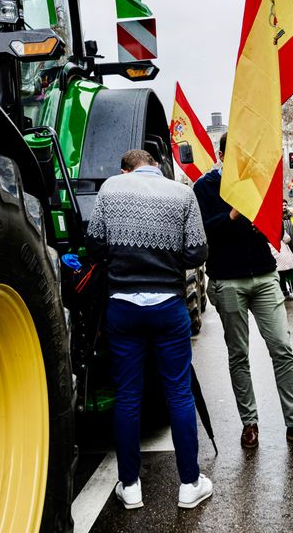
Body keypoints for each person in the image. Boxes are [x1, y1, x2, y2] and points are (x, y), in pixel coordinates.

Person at [86, 149, 214, 509]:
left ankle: (130, 486)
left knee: (128, 396)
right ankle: (190, 483)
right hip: (168, 308)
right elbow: (197, 252)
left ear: (126, 168)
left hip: (123, 307)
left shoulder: (111, 189)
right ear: (156, 165)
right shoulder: (181, 193)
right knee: (178, 393)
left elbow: (95, 245)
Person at [194, 133, 293, 449]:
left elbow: (277, 230)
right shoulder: (205, 187)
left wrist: (267, 223)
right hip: (228, 279)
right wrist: (232, 215)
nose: (241, 159)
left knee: (282, 347)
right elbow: (202, 230)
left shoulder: (258, 181)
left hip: (265, 275)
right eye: (234, 153)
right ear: (221, 154)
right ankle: (249, 423)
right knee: (239, 354)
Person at [271, 227, 293, 301]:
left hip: (271, 253)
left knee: (275, 275)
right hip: (280, 252)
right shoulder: (277, 225)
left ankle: (277, 294)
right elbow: (287, 238)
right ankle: (285, 293)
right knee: (282, 275)